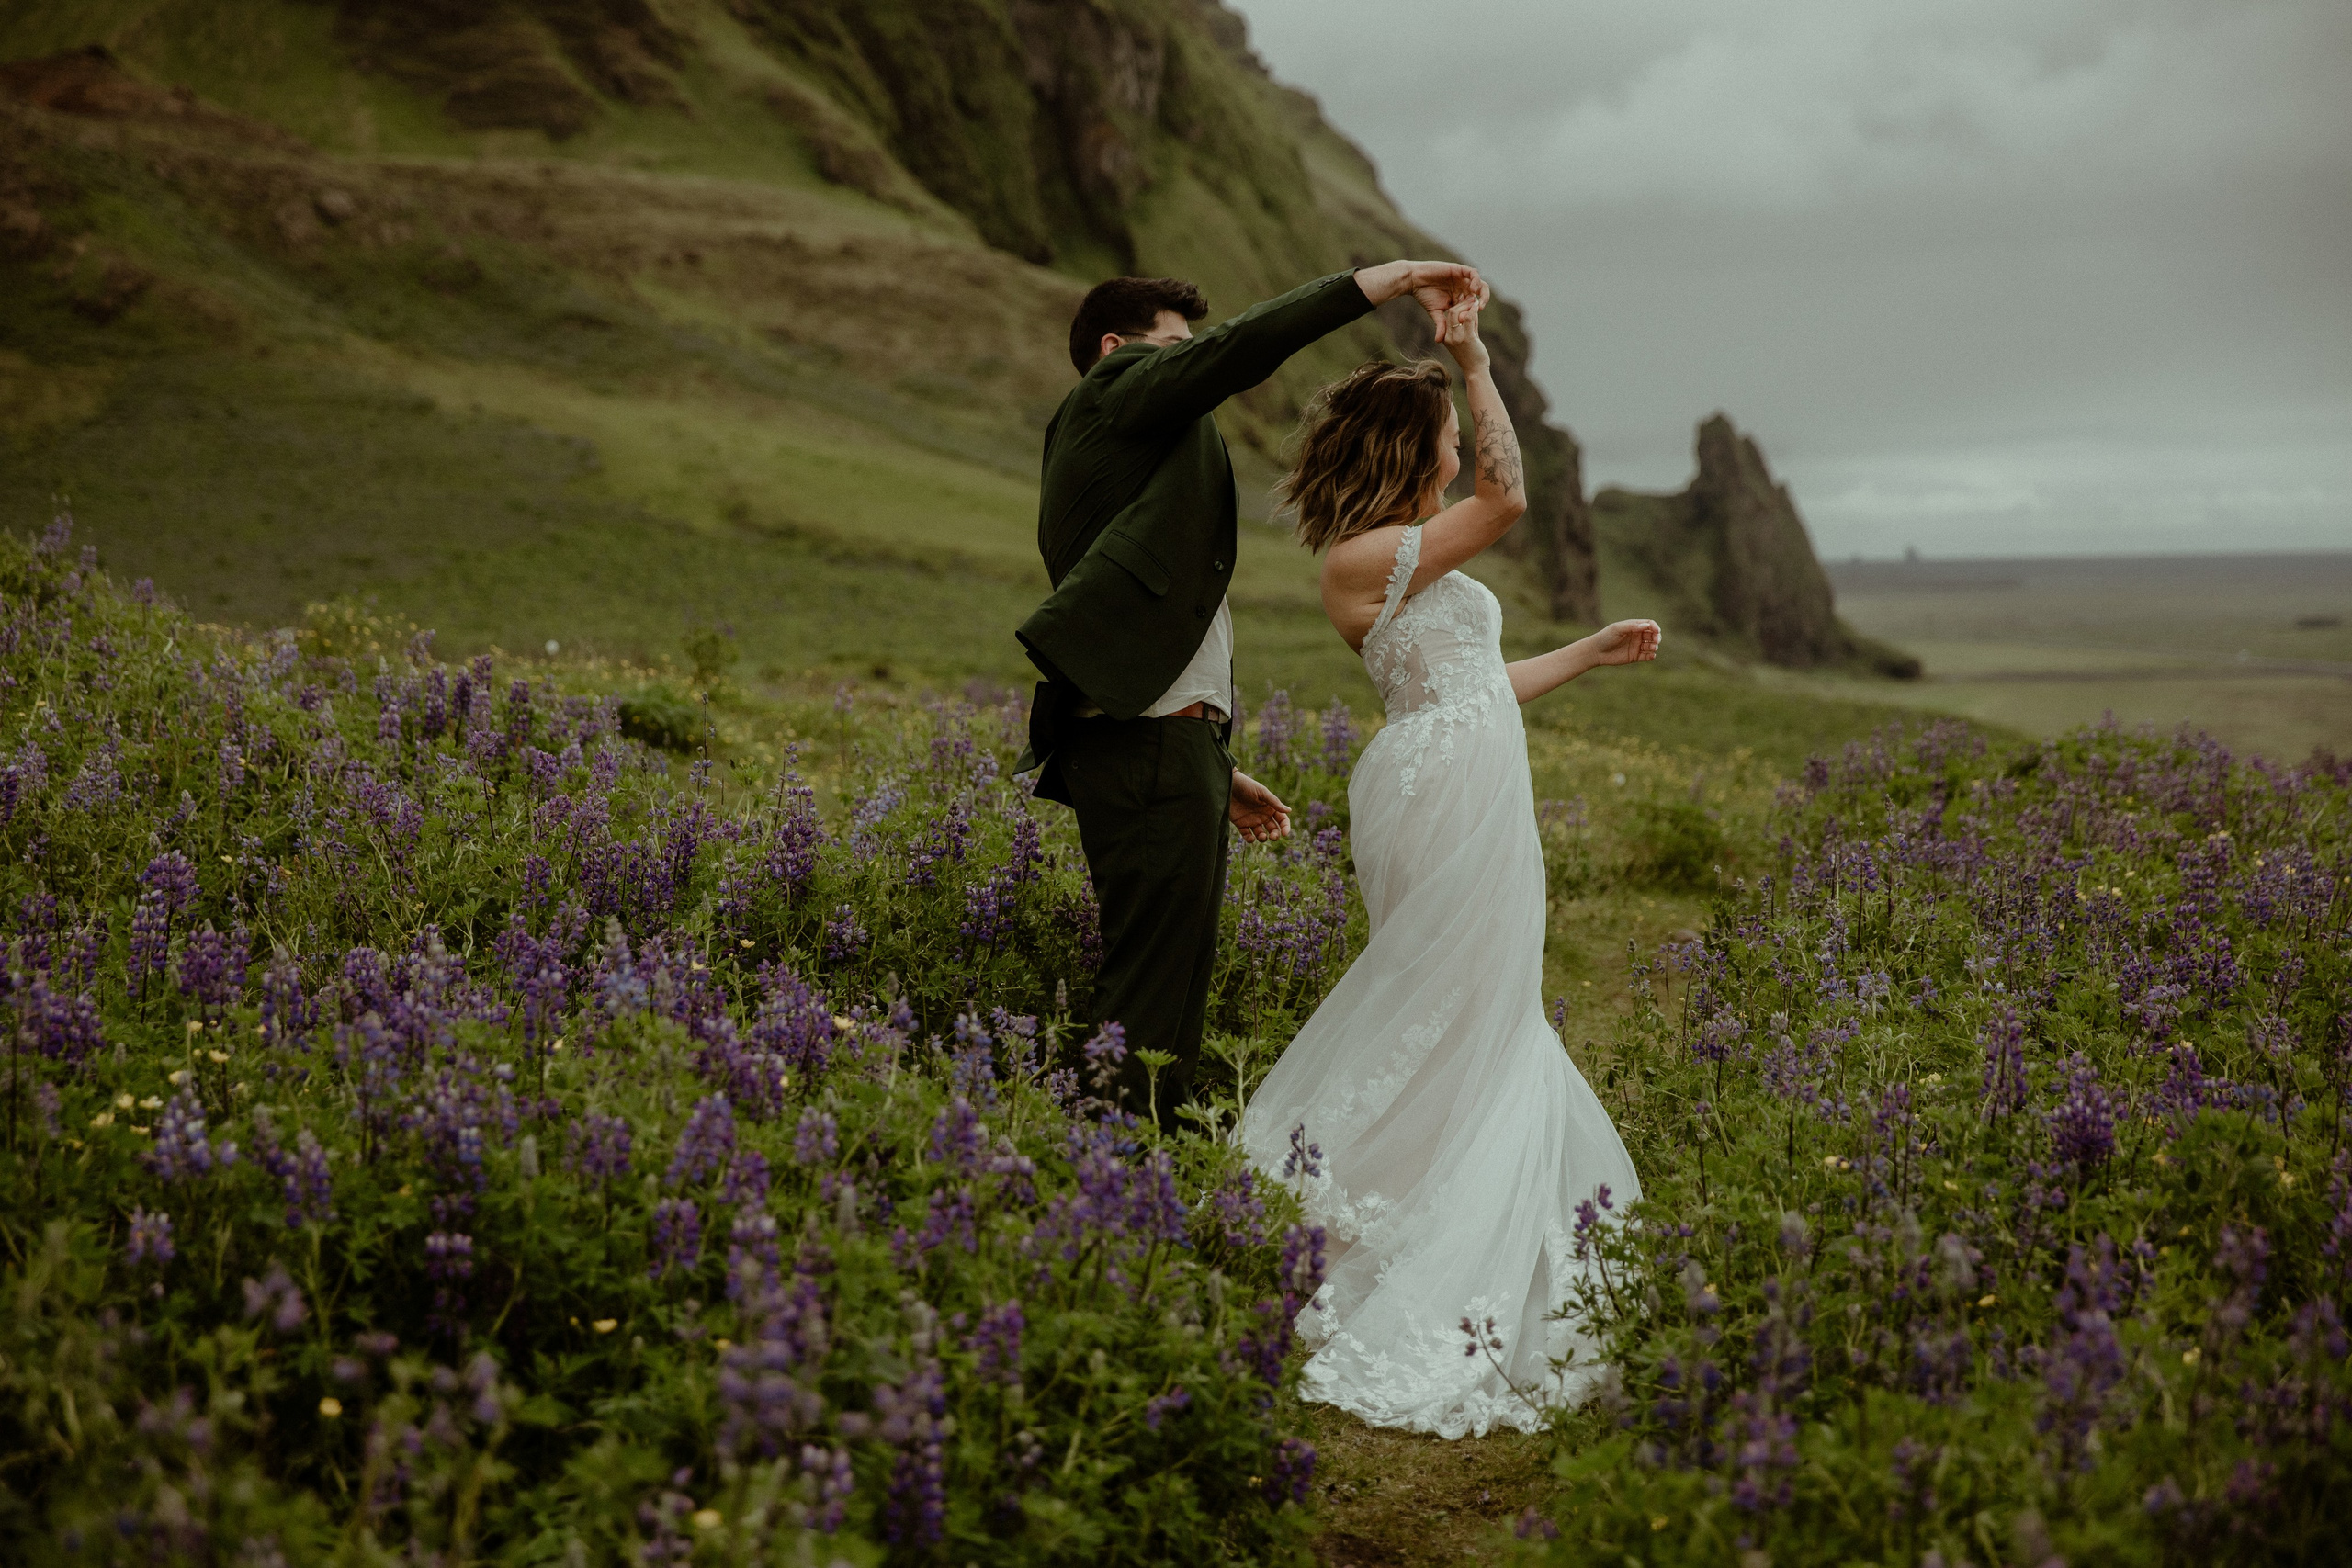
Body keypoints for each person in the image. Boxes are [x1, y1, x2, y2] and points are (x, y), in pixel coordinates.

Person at [1239, 296, 1661, 1437]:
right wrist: (1471, 359)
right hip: (1436, 790)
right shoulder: (1363, 555)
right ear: (1405, 450)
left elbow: (1474, 685)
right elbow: (1510, 497)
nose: (1457, 452)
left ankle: (1434, 1194)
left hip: (1466, 766)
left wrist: (1589, 651)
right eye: (1442, 439)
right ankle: (1400, 1217)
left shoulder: (1407, 557)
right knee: (1449, 995)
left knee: (1482, 1000)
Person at [1016, 262, 1490, 1125]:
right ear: (1115, 353)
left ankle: (1124, 1174)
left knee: (1171, 982)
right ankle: (1106, 1182)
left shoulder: (1134, 453)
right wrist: (1382, 283)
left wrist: (1208, 753)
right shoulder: (1111, 396)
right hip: (1145, 739)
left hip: (1163, 737)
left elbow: (1151, 608)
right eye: (1170, 352)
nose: (1184, 369)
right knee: (1150, 994)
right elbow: (1241, 350)